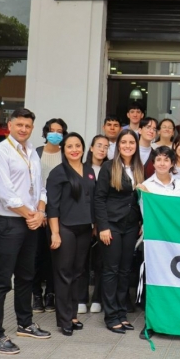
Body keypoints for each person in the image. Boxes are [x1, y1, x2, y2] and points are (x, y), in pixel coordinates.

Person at [0, 108, 51, 355]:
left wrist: (40, 212)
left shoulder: (32, 152)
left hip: (31, 221)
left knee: (26, 276)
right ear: (9, 125)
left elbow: (40, 188)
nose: (24, 129)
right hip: (8, 223)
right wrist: (31, 215)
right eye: (19, 124)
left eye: (28, 125)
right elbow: (5, 193)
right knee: (2, 280)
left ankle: (24, 323)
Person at [94, 129, 144, 334]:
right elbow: (99, 199)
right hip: (112, 225)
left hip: (131, 226)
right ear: (118, 145)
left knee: (125, 271)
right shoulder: (108, 167)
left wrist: (141, 221)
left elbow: (139, 198)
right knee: (111, 270)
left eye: (132, 142)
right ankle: (111, 315)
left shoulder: (139, 167)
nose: (128, 145)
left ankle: (122, 313)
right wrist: (103, 227)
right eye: (124, 142)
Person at [46, 133, 94, 337]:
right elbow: (53, 206)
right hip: (64, 228)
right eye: (69, 146)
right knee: (64, 274)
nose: (74, 149)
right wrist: (55, 233)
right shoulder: (58, 173)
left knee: (78, 273)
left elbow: (92, 200)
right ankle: (64, 319)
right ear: (63, 150)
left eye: (78, 146)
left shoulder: (89, 170)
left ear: (83, 148)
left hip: (84, 228)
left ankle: (73, 315)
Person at [136, 145, 180, 340]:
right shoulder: (146, 186)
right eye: (159, 160)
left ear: (172, 163)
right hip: (155, 242)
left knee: (176, 280)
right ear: (153, 163)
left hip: (178, 241)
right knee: (154, 281)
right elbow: (146, 214)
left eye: (166, 160)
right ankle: (151, 323)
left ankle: (174, 320)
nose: (162, 163)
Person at [33, 118, 68, 315]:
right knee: (36, 256)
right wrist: (41, 211)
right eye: (52, 130)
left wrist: (53, 212)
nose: (55, 133)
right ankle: (36, 295)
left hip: (59, 213)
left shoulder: (65, 155)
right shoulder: (35, 153)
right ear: (45, 132)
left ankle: (51, 294)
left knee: (56, 256)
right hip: (37, 212)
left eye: (59, 131)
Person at [78, 135, 109, 314]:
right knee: (81, 262)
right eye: (99, 145)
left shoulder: (109, 168)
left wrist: (99, 224)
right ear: (90, 148)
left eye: (106, 147)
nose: (102, 149)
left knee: (101, 263)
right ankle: (81, 298)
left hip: (103, 223)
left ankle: (97, 297)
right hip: (82, 221)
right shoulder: (82, 168)